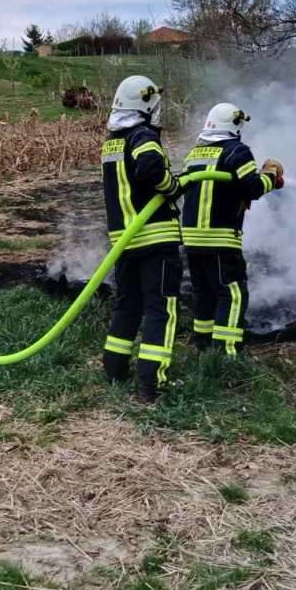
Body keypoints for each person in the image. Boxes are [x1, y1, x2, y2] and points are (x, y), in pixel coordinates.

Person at [100, 75, 183, 403]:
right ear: (145, 103)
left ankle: (115, 372)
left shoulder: (112, 141)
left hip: (125, 241)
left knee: (127, 306)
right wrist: (173, 186)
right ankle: (151, 385)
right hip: (155, 238)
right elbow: (150, 167)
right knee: (160, 309)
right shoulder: (142, 135)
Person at [180, 103, 283, 357]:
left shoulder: (195, 154)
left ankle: (203, 348)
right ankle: (226, 357)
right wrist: (270, 175)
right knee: (233, 294)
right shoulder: (237, 151)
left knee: (204, 293)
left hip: (192, 239)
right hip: (220, 238)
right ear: (235, 125)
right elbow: (252, 187)